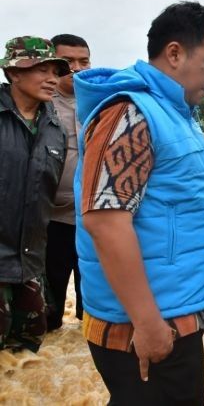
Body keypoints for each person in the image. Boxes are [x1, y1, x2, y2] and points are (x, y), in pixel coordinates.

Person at [75, 2, 204, 405]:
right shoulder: (131, 113)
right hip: (147, 325)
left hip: (171, 312)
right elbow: (105, 221)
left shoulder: (176, 114)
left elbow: (163, 207)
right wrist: (147, 323)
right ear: (174, 53)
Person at [0, 37, 69, 352]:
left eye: (55, 70)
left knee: (26, 353)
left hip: (30, 264)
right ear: (14, 73)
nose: (52, 78)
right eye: (41, 69)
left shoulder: (55, 126)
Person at [45, 34, 92, 331]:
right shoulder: (41, 104)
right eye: (68, 62)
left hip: (94, 219)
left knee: (93, 310)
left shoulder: (104, 100)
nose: (76, 68)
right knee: (49, 305)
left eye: (83, 61)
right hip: (51, 219)